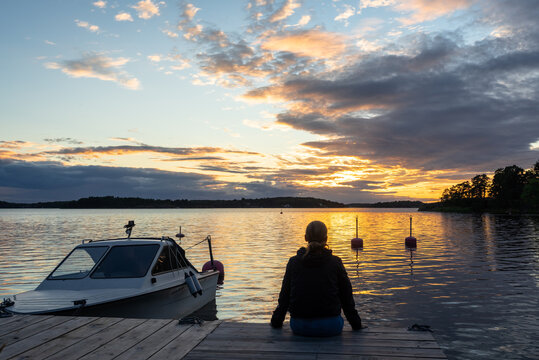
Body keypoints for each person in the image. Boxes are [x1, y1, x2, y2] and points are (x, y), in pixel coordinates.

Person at [270, 220, 363, 336]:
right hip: (330, 326)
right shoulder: (335, 262)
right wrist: (356, 325)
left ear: (305, 237)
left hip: (300, 326)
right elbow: (346, 297)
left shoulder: (293, 262)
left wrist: (276, 322)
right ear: (326, 238)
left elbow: (284, 296)